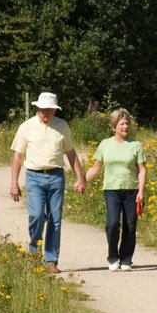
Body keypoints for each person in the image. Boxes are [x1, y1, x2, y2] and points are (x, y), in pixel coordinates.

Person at [10, 92, 85, 274]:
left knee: (55, 219)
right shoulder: (26, 127)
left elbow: (70, 153)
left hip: (56, 176)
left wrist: (80, 178)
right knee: (36, 216)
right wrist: (14, 183)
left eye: (50, 110)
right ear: (38, 108)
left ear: (55, 110)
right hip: (34, 176)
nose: (46, 113)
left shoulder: (62, 126)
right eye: (44, 109)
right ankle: (35, 255)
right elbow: (18, 156)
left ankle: (51, 260)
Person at [85, 108, 147, 271]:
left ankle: (126, 259)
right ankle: (113, 257)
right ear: (114, 127)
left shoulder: (136, 145)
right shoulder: (105, 144)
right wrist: (82, 180)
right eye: (122, 124)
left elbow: (142, 170)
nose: (125, 126)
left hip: (131, 190)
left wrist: (141, 191)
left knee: (130, 226)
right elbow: (96, 168)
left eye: (127, 123)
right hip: (111, 190)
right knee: (112, 224)